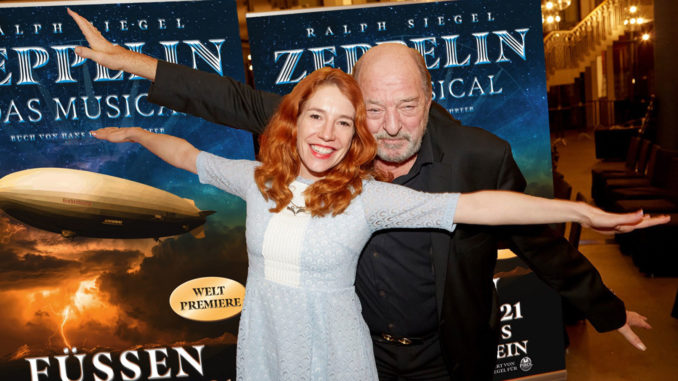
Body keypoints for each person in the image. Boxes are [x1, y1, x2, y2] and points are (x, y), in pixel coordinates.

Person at [68, 9, 656, 380]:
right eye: (373, 110)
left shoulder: (481, 155)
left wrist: (602, 306)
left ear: (430, 99)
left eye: (407, 106)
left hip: (446, 356)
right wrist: (126, 62)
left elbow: (539, 244)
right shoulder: (331, 135)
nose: (392, 126)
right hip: (354, 354)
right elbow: (230, 99)